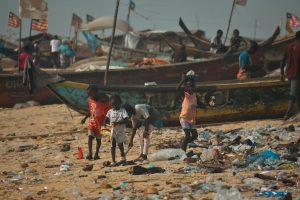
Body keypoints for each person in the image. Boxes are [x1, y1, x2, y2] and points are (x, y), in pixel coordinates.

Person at [176, 70, 206, 152]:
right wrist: (183, 80)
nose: (191, 88)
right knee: (187, 135)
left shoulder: (195, 96)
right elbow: (177, 89)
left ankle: (183, 144)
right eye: (189, 86)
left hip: (192, 120)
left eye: (192, 87)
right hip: (184, 118)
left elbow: (200, 104)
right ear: (186, 87)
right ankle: (183, 150)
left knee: (195, 136)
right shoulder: (185, 95)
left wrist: (205, 106)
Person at [83, 85, 111, 160]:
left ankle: (96, 154)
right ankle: (90, 153)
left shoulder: (104, 102)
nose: (90, 96)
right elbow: (91, 110)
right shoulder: (91, 100)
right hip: (92, 122)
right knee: (90, 137)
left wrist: (106, 121)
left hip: (100, 124)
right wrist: (85, 118)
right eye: (89, 95)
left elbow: (108, 112)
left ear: (96, 93)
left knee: (98, 140)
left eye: (91, 94)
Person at [280, 31, 300, 120]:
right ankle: (287, 114)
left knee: (296, 93)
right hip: (297, 73)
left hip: (289, 73)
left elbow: (282, 60)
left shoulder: (289, 46)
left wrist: (282, 73)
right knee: (293, 93)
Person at [104, 95, 129, 164]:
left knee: (120, 145)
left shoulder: (123, 111)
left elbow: (126, 120)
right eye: (112, 105)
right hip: (113, 131)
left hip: (120, 131)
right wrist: (104, 123)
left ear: (120, 103)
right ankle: (113, 161)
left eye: (116, 104)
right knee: (112, 145)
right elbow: (106, 118)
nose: (114, 106)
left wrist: (118, 123)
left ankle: (123, 158)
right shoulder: (110, 111)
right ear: (110, 105)